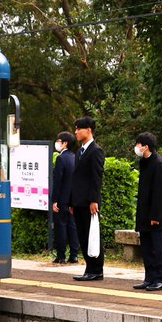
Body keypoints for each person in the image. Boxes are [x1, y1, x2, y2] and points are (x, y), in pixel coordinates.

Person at [133, 131, 162, 291]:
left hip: (156, 215)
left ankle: (160, 278)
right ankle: (149, 277)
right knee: (146, 247)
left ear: (146, 146)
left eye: (137, 144)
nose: (135, 147)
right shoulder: (144, 161)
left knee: (157, 247)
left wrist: (156, 216)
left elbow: (160, 192)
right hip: (144, 213)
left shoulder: (159, 163)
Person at [68, 116, 105, 281]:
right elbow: (75, 178)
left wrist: (93, 200)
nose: (76, 132)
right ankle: (89, 267)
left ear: (88, 130)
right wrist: (71, 201)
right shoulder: (79, 152)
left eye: (79, 128)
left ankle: (96, 269)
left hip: (89, 202)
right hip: (78, 202)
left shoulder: (96, 151)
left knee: (92, 235)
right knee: (82, 236)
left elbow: (96, 178)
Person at [49, 131, 79, 265]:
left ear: (65, 143)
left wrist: (54, 200)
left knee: (60, 227)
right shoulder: (74, 157)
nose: (57, 143)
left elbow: (58, 181)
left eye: (59, 141)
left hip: (61, 199)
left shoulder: (61, 159)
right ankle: (74, 255)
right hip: (72, 200)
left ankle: (60, 256)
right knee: (72, 227)